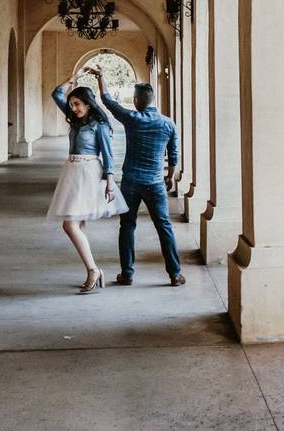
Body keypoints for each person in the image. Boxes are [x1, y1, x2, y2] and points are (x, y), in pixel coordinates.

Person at [94, 68, 184, 286]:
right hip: (155, 182)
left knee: (127, 226)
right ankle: (175, 274)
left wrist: (101, 78)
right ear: (152, 100)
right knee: (164, 227)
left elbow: (108, 101)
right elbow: (173, 155)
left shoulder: (132, 118)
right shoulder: (168, 123)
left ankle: (127, 274)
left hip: (131, 182)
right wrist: (170, 176)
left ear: (136, 100)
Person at [46, 67, 129, 293]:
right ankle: (92, 269)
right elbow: (56, 94)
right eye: (71, 104)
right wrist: (74, 78)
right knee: (77, 224)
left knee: (69, 224)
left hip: (89, 171)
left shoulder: (99, 125)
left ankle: (93, 269)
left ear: (88, 104)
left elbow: (108, 155)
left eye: (77, 104)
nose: (73, 108)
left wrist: (110, 181)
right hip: (72, 171)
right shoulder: (74, 119)